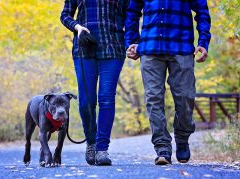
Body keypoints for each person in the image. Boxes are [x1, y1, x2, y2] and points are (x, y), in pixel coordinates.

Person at [125, 0, 211, 165]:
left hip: (182, 48)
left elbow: (202, 12)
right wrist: (132, 41)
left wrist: (203, 42)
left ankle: (182, 138)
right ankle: (162, 147)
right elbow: (132, 12)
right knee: (153, 98)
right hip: (150, 49)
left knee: (186, 97)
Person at [60, 0, 129, 166]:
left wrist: (130, 39)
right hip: (84, 49)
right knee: (85, 102)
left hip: (113, 48)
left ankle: (102, 149)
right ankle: (91, 142)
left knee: (106, 98)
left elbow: (130, 16)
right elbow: (65, 15)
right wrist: (77, 27)